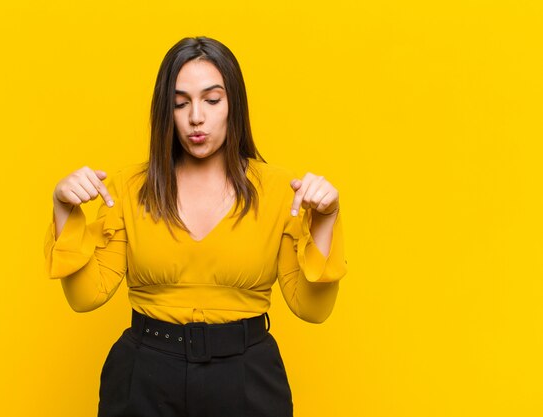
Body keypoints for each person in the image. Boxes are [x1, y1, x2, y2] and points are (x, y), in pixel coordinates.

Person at [44, 36, 347, 417]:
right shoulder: (127, 188)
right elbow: (85, 298)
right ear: (164, 112)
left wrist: (326, 218)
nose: (196, 118)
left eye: (212, 100)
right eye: (180, 103)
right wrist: (63, 208)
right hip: (145, 375)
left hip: (246, 376)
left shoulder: (279, 191)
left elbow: (312, 309)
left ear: (233, 105)